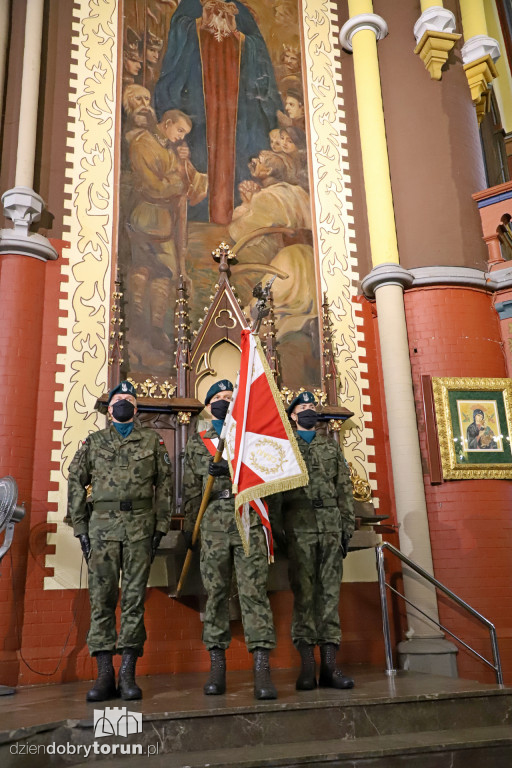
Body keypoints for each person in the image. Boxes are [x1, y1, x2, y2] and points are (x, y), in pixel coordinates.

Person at [67, 380, 173, 702]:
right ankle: (103, 675)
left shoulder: (153, 441)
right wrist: (81, 529)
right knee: (101, 601)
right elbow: (75, 478)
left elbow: (165, 485)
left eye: (129, 399)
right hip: (102, 530)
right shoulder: (94, 442)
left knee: (133, 602)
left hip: (140, 529)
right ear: (109, 409)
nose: (123, 403)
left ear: (136, 409)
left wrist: (160, 528)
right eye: (118, 400)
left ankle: (127, 674)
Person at [182, 379, 277, 699]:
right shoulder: (198, 441)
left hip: (248, 518)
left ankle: (262, 672)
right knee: (216, 594)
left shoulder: (252, 438)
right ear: (209, 405)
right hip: (214, 524)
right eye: (218, 398)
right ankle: (217, 668)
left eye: (229, 397)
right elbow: (192, 491)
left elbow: (268, 476)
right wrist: (191, 533)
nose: (224, 401)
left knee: (254, 594)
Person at [154, 0, 283, 224]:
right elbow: (177, 36)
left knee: (242, 148)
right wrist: (199, 23)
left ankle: (239, 214)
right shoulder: (191, 5)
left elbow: (257, 46)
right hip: (197, 97)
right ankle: (200, 215)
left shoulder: (239, 10)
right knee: (198, 149)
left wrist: (238, 36)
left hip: (238, 102)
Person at [269, 391, 355, 691]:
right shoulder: (284, 448)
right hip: (298, 529)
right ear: (292, 415)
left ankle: (330, 667)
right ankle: (308, 668)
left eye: (311, 407)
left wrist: (346, 528)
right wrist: (280, 534)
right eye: (302, 408)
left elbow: (343, 489)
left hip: (330, 527)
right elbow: (276, 496)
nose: (308, 411)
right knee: (304, 598)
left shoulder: (330, 448)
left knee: (329, 597)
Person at [128, 109, 208, 355]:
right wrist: (177, 182)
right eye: (180, 131)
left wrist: (183, 163)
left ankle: (155, 327)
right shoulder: (142, 144)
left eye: (184, 134)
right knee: (143, 266)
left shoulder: (173, 149)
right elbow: (154, 185)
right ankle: (137, 321)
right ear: (168, 123)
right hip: (145, 215)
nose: (181, 137)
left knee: (166, 272)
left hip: (166, 221)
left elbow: (191, 184)